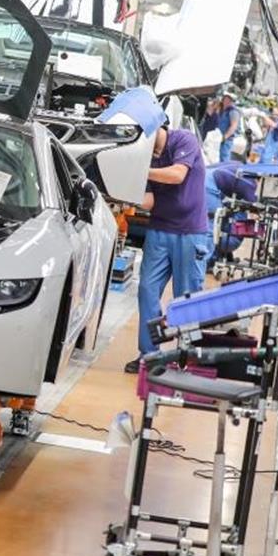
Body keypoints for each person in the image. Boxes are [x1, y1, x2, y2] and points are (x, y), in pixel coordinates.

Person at [102, 89, 209, 374]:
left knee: (187, 296)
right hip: (160, 231)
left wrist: (139, 170)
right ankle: (149, 356)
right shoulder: (145, 157)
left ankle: (185, 357)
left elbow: (177, 175)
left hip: (190, 233)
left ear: (152, 127)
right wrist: (120, 194)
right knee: (148, 291)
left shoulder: (182, 140)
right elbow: (150, 200)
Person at [205, 161, 259, 268]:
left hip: (205, 178)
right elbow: (257, 209)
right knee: (211, 227)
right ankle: (204, 264)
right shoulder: (251, 184)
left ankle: (213, 257)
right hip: (210, 187)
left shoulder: (240, 167)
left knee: (214, 223)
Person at [216, 89, 242, 162]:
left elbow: (234, 126)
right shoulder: (222, 110)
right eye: (225, 99)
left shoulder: (233, 111)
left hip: (226, 140)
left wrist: (224, 137)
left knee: (224, 158)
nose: (226, 101)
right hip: (219, 138)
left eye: (229, 99)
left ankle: (225, 173)